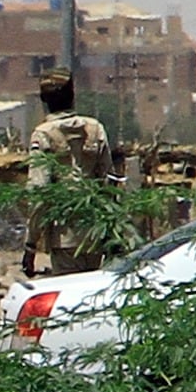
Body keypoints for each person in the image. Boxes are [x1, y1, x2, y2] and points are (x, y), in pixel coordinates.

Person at [23, 68, 116, 277]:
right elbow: (110, 183)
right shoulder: (95, 128)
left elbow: (39, 193)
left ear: (43, 99)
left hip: (64, 235)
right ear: (73, 95)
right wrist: (112, 232)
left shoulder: (44, 134)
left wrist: (30, 243)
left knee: (69, 290)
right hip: (95, 232)